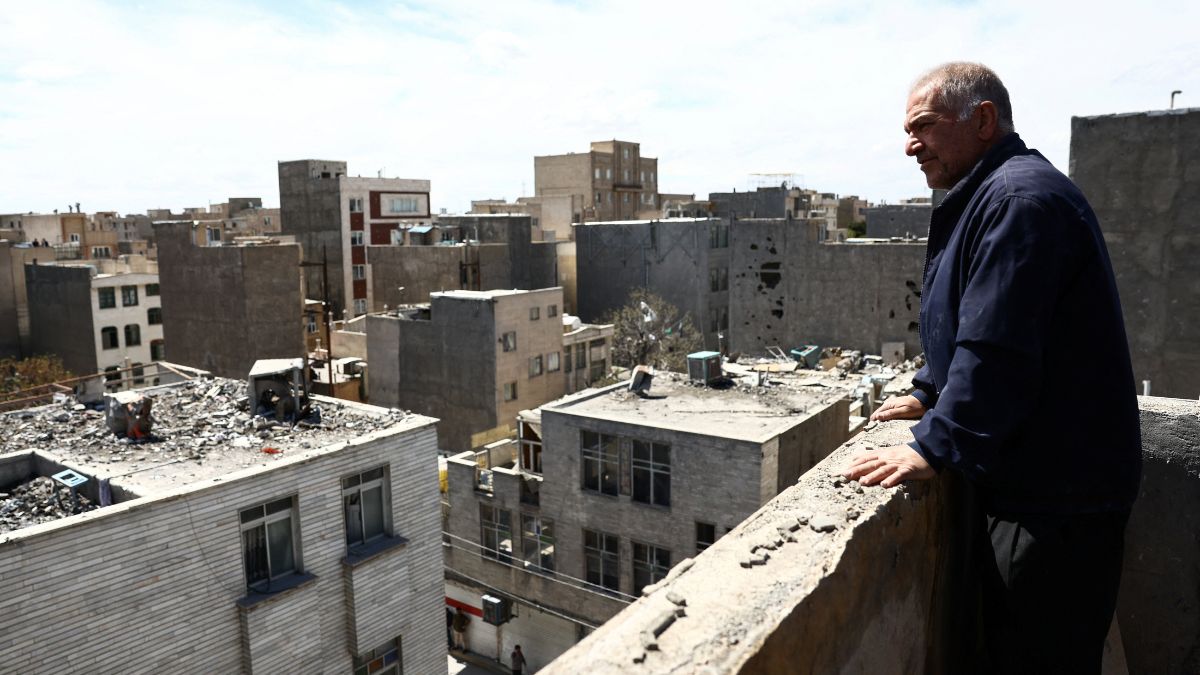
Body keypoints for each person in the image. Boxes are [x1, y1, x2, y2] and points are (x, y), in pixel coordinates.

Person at [844, 62, 1141, 673]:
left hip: (1056, 508)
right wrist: (930, 392)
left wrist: (936, 444)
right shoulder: (993, 195)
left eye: (922, 125)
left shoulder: (1018, 200)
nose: (909, 145)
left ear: (983, 119)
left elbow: (1001, 344)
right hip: (1039, 491)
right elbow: (966, 317)